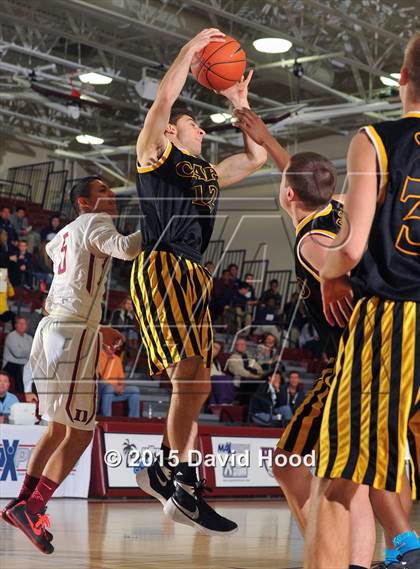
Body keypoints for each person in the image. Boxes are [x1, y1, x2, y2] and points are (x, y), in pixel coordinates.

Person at [132, 28, 266, 535]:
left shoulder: (205, 172)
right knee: (192, 378)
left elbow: (254, 158)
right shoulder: (155, 154)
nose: (202, 130)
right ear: (171, 132)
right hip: (164, 263)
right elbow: (165, 98)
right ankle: (172, 474)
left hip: (191, 273)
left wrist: (241, 101)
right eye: (194, 123)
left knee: (196, 384)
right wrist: (190, 51)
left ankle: (174, 475)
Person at [235, 109, 378, 568]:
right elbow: (297, 171)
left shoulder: (310, 241)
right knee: (344, 473)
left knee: (290, 464)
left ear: (289, 195)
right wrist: (269, 140)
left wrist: (336, 277)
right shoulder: (334, 206)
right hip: (368, 364)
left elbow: (352, 278)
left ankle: (328, 553)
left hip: (350, 367)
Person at [305, 33, 420, 569]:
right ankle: (405, 546)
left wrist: (331, 273)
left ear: (402, 78)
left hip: (394, 320)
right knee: (395, 462)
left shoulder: (375, 140)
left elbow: (349, 248)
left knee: (339, 474)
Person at [2, 176, 142, 554]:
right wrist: (161, 222)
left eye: (111, 191)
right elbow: (128, 249)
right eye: (102, 192)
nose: (111, 196)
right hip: (72, 334)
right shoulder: (97, 221)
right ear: (83, 202)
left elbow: (55, 292)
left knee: (56, 428)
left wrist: (98, 325)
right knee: (80, 433)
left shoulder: (61, 236)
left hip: (50, 330)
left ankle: (21, 501)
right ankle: (34, 508)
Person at [98, 345, 140, 417]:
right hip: (102, 391)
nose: (115, 348)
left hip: (115, 391)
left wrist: (121, 387)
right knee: (109, 388)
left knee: (134, 390)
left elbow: (121, 379)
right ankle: (106, 418)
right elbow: (101, 380)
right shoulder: (99, 357)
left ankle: (134, 419)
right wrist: (109, 361)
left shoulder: (117, 359)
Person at [2, 316, 33, 393]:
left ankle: (28, 394)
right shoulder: (11, 336)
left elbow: (33, 354)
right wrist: (28, 352)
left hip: (25, 365)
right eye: (20, 323)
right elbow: (17, 353)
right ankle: (21, 394)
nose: (22, 325)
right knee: (22, 371)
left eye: (24, 324)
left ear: (27, 326)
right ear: (16, 325)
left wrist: (23, 350)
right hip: (11, 366)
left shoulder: (30, 338)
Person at [209, 341, 235, 405]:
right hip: (206, 377)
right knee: (221, 379)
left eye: (217, 349)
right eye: (213, 347)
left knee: (228, 378)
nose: (214, 349)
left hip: (214, 378)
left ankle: (227, 402)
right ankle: (224, 401)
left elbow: (218, 372)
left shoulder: (216, 362)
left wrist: (221, 374)